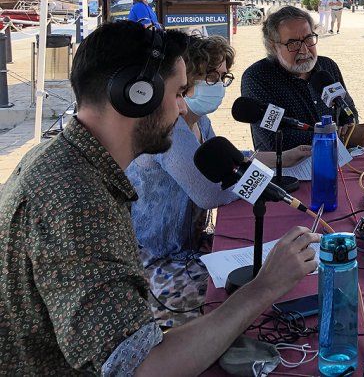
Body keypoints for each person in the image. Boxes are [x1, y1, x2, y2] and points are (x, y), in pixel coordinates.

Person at [0, 21, 319, 375]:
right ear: (137, 95)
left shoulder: (68, 163)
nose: (183, 108)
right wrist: (266, 287)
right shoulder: (76, 203)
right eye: (179, 92)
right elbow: (142, 368)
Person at [126, 35, 311, 327]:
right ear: (185, 78)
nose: (217, 85)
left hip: (192, 245)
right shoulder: (168, 129)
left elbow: (231, 160)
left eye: (222, 77)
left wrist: (281, 158)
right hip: (158, 262)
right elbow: (212, 193)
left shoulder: (199, 121)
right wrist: (264, 180)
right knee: (248, 290)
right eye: (209, 76)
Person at [241, 5, 364, 151]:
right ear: (274, 47)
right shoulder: (257, 77)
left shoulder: (327, 66)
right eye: (293, 43)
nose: (304, 50)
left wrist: (351, 129)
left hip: (340, 161)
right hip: (287, 170)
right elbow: (274, 139)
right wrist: (338, 137)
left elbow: (348, 112)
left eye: (308, 39)